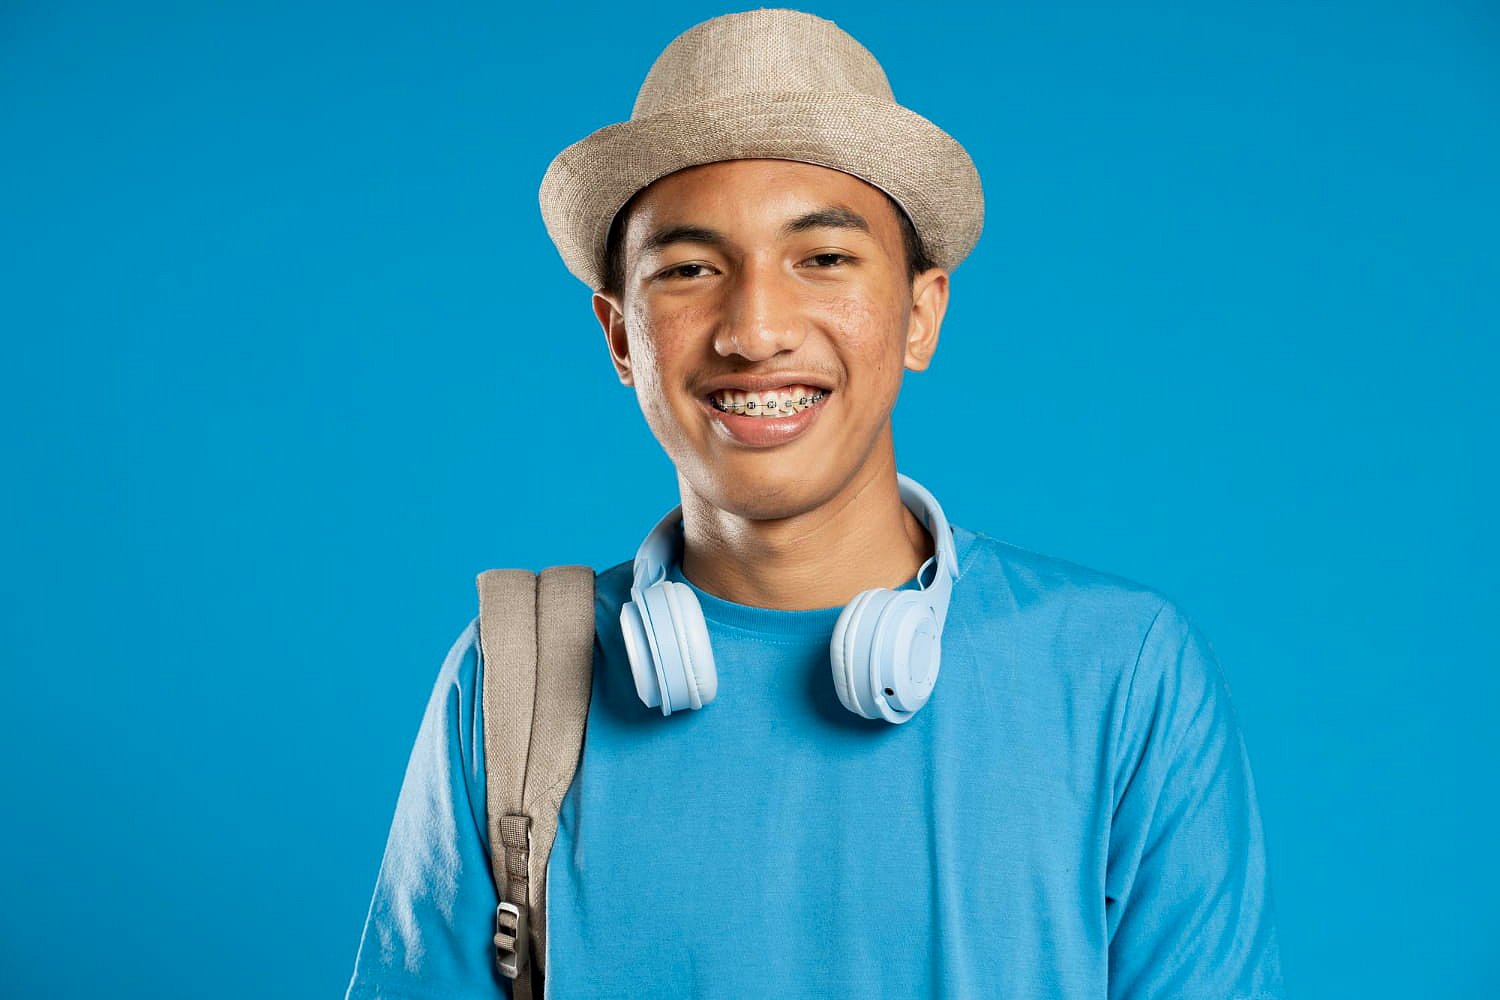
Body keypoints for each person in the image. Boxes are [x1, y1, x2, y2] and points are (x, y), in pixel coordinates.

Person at [345, 9, 1285, 998]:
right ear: (621, 338)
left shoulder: (1120, 671)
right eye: (691, 269)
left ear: (921, 312)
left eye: (824, 258)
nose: (754, 330)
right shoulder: (516, 676)